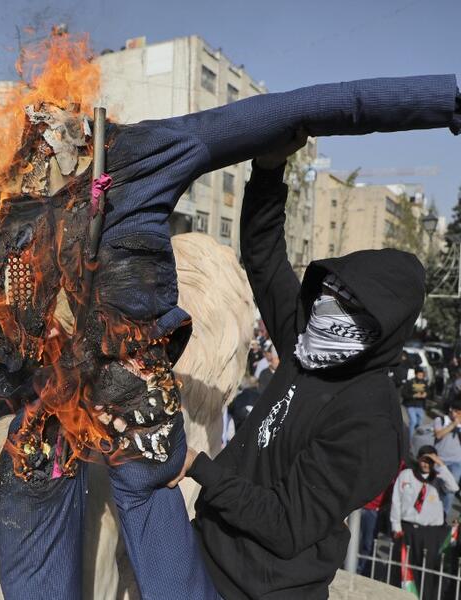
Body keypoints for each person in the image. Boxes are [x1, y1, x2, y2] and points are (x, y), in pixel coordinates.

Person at [0, 74, 461, 595]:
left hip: (124, 423)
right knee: (64, 492)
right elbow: (321, 106)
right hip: (76, 426)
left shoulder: (78, 175)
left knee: (103, 497)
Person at [172, 129, 432, 599]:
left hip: (258, 590)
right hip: (203, 553)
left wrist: (199, 467)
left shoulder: (371, 424)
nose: (329, 310)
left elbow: (285, 524)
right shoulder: (309, 344)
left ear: (381, 329)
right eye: (332, 292)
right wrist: (269, 169)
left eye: (350, 306)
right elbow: (264, 257)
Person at [390, 446, 458, 600]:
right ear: (418, 459)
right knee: (406, 567)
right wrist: (396, 526)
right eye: (424, 459)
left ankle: (426, 596)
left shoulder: (439, 478)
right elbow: (396, 501)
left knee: (428, 568)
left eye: (430, 460)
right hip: (408, 529)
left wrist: (441, 465)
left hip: (431, 532)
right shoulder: (406, 475)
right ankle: (404, 595)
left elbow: (454, 487)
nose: (426, 464)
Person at [433, 399, 461, 517]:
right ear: (451, 410)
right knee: (435, 488)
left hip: (456, 462)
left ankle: (444, 516)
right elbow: (438, 435)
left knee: (450, 489)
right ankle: (432, 513)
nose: (458, 415)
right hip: (440, 460)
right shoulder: (440, 420)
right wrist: (453, 424)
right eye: (457, 412)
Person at [403, 366, 430, 441]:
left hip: (420, 406)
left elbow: (428, 392)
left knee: (420, 422)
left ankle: (416, 438)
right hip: (410, 405)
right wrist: (413, 395)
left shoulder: (424, 382)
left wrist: (426, 394)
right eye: (419, 375)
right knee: (413, 421)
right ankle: (410, 440)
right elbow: (404, 393)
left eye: (422, 375)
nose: (421, 376)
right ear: (416, 374)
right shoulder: (410, 382)